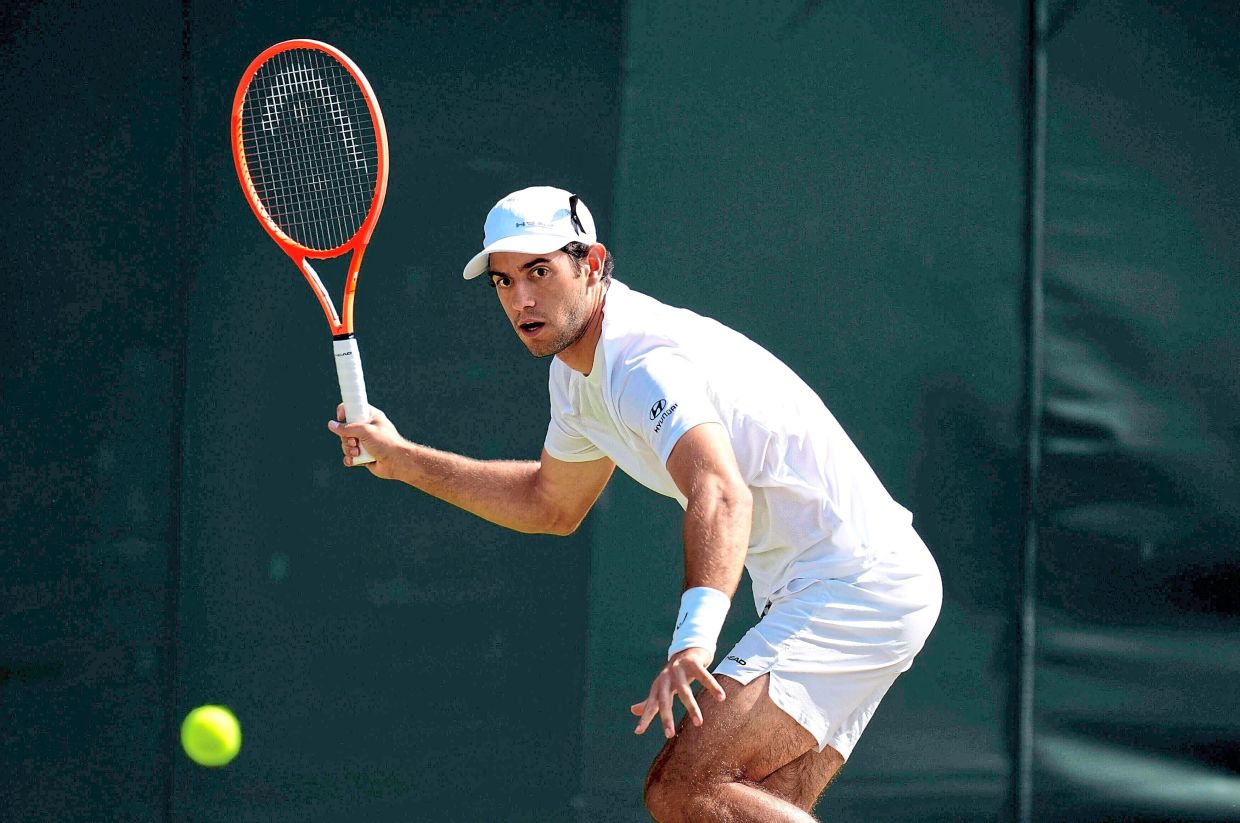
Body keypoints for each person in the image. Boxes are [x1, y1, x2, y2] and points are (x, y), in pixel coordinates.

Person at [328, 186, 942, 822]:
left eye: (540, 271)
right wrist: (402, 461)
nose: (522, 300)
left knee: (684, 787)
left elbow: (718, 488)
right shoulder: (575, 379)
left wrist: (692, 645)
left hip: (855, 583)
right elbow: (549, 505)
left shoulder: (644, 359)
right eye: (505, 282)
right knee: (740, 805)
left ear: (591, 264)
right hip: (843, 585)